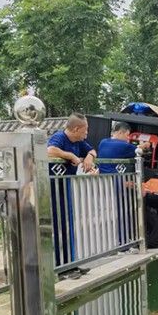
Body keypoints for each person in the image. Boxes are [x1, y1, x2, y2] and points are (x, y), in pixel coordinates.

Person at [47, 113, 96, 271]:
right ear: (76, 129)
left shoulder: (79, 142)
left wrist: (89, 157)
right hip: (53, 189)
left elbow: (93, 150)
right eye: (85, 130)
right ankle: (60, 266)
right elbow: (50, 150)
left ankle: (70, 264)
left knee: (68, 225)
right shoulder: (59, 137)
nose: (86, 133)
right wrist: (69, 155)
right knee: (58, 227)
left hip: (65, 187)